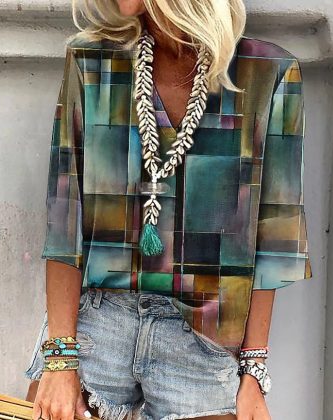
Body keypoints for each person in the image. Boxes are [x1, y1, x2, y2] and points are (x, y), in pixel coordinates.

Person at [24, 0, 313, 419]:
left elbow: (274, 234)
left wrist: (253, 370)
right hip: (95, 324)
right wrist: (59, 360)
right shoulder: (93, 62)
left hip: (202, 337)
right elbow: (64, 220)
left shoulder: (268, 73)